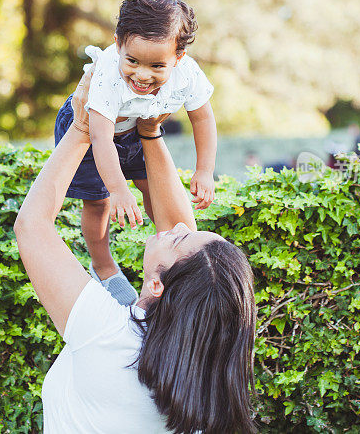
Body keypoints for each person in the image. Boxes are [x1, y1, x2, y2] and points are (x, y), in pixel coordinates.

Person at [15, 70, 256, 433]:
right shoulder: (206, 384)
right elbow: (171, 252)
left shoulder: (106, 336)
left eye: (177, 239)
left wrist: (82, 127)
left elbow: (32, 228)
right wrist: (149, 131)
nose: (175, 227)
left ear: (158, 286)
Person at [54, 0, 218, 305]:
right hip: (91, 131)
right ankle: (104, 267)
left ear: (178, 57)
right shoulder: (106, 75)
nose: (142, 76)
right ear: (117, 45)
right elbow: (99, 137)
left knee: (151, 185)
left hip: (132, 129)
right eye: (132, 61)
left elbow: (203, 119)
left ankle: (166, 251)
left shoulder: (187, 74)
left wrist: (204, 170)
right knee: (98, 201)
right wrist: (117, 189)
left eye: (157, 66)